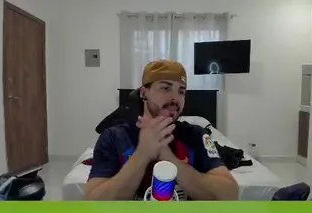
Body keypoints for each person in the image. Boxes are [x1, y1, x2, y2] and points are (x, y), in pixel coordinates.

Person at [84, 60, 238, 201]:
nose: (175, 98)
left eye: (181, 91)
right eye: (165, 88)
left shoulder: (196, 135)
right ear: (143, 93)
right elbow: (94, 201)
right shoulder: (113, 136)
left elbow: (230, 194)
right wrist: (143, 153)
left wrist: (167, 156)